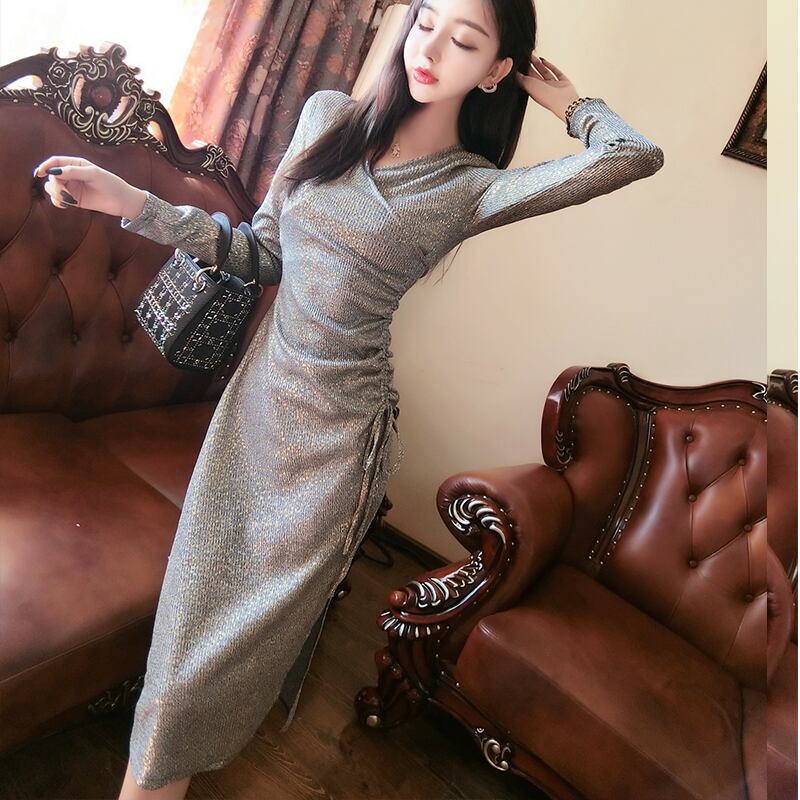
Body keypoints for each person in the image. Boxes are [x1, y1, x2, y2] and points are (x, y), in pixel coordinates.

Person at [32, 0, 664, 796]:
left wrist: (570, 103)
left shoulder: (470, 188)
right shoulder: (328, 118)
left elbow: (633, 155)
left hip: (336, 448)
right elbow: (261, 253)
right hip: (255, 411)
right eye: (426, 21)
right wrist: (133, 203)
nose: (430, 48)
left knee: (220, 657)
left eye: (466, 41)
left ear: (497, 70)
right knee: (185, 634)